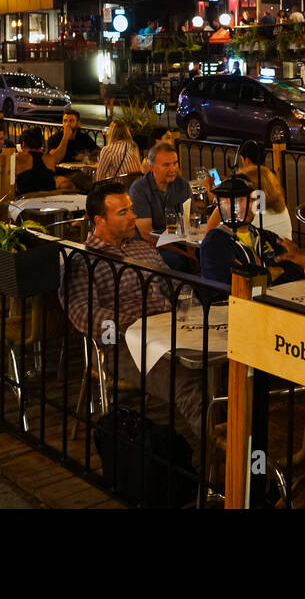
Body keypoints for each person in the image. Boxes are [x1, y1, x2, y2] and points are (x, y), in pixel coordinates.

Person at [59, 182, 205, 454]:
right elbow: (81, 312)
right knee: (192, 385)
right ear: (99, 220)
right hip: (125, 346)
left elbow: (173, 285)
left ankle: (239, 451)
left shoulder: (142, 249)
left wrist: (189, 306)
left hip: (171, 330)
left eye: (131, 209)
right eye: (123, 212)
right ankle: (230, 468)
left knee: (227, 370)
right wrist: (133, 324)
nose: (133, 217)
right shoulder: (83, 261)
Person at [198, 175, 305, 288]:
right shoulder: (214, 242)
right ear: (225, 204)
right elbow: (230, 284)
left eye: (252, 200)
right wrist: (274, 273)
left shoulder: (267, 236)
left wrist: (259, 275)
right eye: (240, 200)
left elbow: (299, 269)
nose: (249, 205)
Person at [204, 140, 291, 238]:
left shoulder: (248, 213)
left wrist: (209, 189)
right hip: (286, 251)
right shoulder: (279, 205)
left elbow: (209, 233)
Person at [129, 141, 193, 271]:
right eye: (166, 165)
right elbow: (147, 235)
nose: (173, 169)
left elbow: (191, 220)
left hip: (176, 241)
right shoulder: (140, 189)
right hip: (146, 246)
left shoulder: (182, 185)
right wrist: (184, 254)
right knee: (180, 261)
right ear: (151, 167)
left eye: (175, 163)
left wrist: (192, 253)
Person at [14, 128, 57, 195]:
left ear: (23, 144)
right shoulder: (50, 158)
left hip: (26, 201)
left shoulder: (18, 157)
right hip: (48, 199)